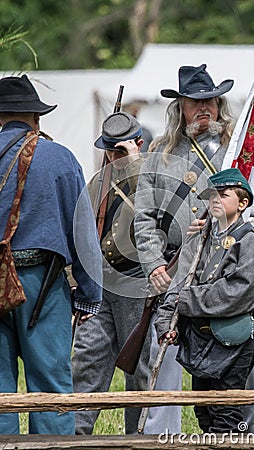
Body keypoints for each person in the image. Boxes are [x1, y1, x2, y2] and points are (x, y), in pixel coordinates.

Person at [134, 64, 254, 433]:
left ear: (219, 103)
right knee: (165, 352)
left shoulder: (241, 150)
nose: (204, 109)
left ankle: (243, 432)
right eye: (194, 102)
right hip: (177, 268)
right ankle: (159, 435)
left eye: (210, 101)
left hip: (229, 264)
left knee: (235, 343)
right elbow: (144, 218)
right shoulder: (159, 156)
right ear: (179, 108)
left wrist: (224, 222)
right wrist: (154, 264)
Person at [0, 74, 102, 435]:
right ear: (36, 118)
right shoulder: (59, 158)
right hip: (42, 285)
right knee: (52, 388)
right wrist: (89, 295)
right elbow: (83, 236)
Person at [155, 167, 254, 433]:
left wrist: (187, 300)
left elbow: (237, 292)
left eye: (224, 195)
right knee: (204, 413)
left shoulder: (249, 241)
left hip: (232, 343)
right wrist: (165, 322)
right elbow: (178, 285)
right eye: (212, 195)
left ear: (243, 204)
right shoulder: (199, 241)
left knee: (227, 414)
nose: (216, 200)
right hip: (199, 339)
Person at [72, 111, 151, 435]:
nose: (114, 156)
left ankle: (140, 437)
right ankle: (74, 433)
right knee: (87, 360)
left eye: (121, 149)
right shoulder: (98, 182)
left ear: (138, 144)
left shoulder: (154, 176)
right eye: (110, 150)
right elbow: (82, 232)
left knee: (140, 371)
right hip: (102, 284)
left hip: (139, 285)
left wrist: (134, 163)